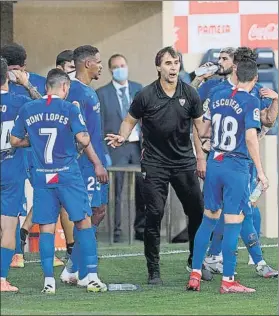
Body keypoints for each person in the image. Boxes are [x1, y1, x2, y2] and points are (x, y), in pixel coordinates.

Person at [105, 46, 209, 284]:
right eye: (168, 63)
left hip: (184, 163)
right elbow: (129, 120)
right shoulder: (145, 95)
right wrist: (122, 136)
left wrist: (212, 130)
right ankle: (154, 271)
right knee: (154, 214)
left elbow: (199, 128)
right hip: (154, 164)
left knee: (197, 212)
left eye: (176, 63)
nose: (173, 67)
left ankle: (196, 263)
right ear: (159, 67)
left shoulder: (191, 94)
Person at [11, 68, 107, 294]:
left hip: (43, 175)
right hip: (67, 174)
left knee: (46, 227)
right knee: (83, 222)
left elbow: (14, 140)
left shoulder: (28, 108)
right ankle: (92, 277)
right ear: (65, 87)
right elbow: (83, 138)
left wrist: (33, 142)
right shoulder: (69, 108)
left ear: (46, 87)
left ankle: (48, 282)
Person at [187, 59, 268, 294]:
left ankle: (195, 274)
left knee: (208, 219)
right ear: (253, 79)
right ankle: (229, 280)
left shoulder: (218, 93)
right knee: (233, 222)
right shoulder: (251, 100)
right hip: (236, 167)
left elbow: (202, 130)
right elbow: (251, 139)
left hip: (215, 163)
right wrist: (261, 172)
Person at [202, 48, 278, 277]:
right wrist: (201, 152)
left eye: (225, 59)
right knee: (230, 212)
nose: (220, 62)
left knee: (244, 212)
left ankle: (212, 258)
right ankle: (251, 263)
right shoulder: (217, 90)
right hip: (224, 162)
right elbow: (202, 125)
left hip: (245, 162)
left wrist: (276, 100)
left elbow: (267, 120)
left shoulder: (253, 90)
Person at [60, 45, 108, 288]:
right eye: (98, 62)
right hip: (85, 165)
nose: (101, 66)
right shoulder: (81, 94)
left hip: (91, 160)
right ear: (87, 63)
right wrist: (96, 162)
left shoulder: (84, 91)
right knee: (91, 213)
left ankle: (72, 268)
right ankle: (82, 271)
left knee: (95, 212)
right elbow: (81, 135)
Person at [0, 43, 48, 268]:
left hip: (29, 151)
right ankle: (16, 252)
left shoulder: (37, 80)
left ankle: (24, 234)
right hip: (20, 152)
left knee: (43, 194)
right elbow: (44, 107)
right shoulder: (25, 91)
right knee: (14, 205)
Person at [97, 53, 145, 242]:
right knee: (116, 190)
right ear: (110, 70)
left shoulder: (138, 89)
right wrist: (104, 151)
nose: (120, 69)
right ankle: (116, 230)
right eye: (116, 67)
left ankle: (140, 229)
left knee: (143, 189)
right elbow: (100, 126)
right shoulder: (102, 93)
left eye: (122, 65)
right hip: (116, 148)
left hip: (137, 146)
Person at [0, 57, 31, 292]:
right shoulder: (20, 100)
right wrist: (28, 84)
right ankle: (1, 279)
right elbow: (48, 105)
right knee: (8, 227)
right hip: (10, 170)